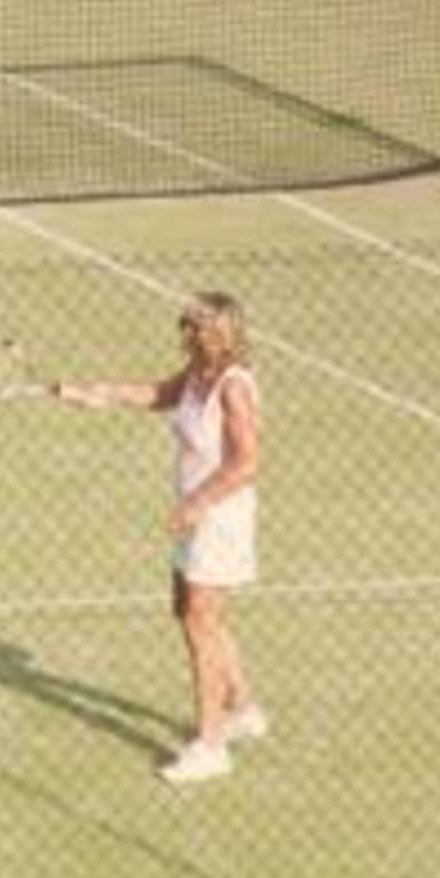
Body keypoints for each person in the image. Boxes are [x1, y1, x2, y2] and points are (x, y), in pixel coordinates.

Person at [53, 291, 266, 783]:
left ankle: (211, 745)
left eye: (193, 326)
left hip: (219, 517)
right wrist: (94, 393)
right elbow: (155, 394)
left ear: (218, 334)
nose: (183, 332)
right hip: (197, 513)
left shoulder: (232, 387)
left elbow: (247, 462)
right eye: (185, 324)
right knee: (193, 612)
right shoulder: (196, 375)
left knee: (199, 622)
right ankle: (243, 709)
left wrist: (197, 503)